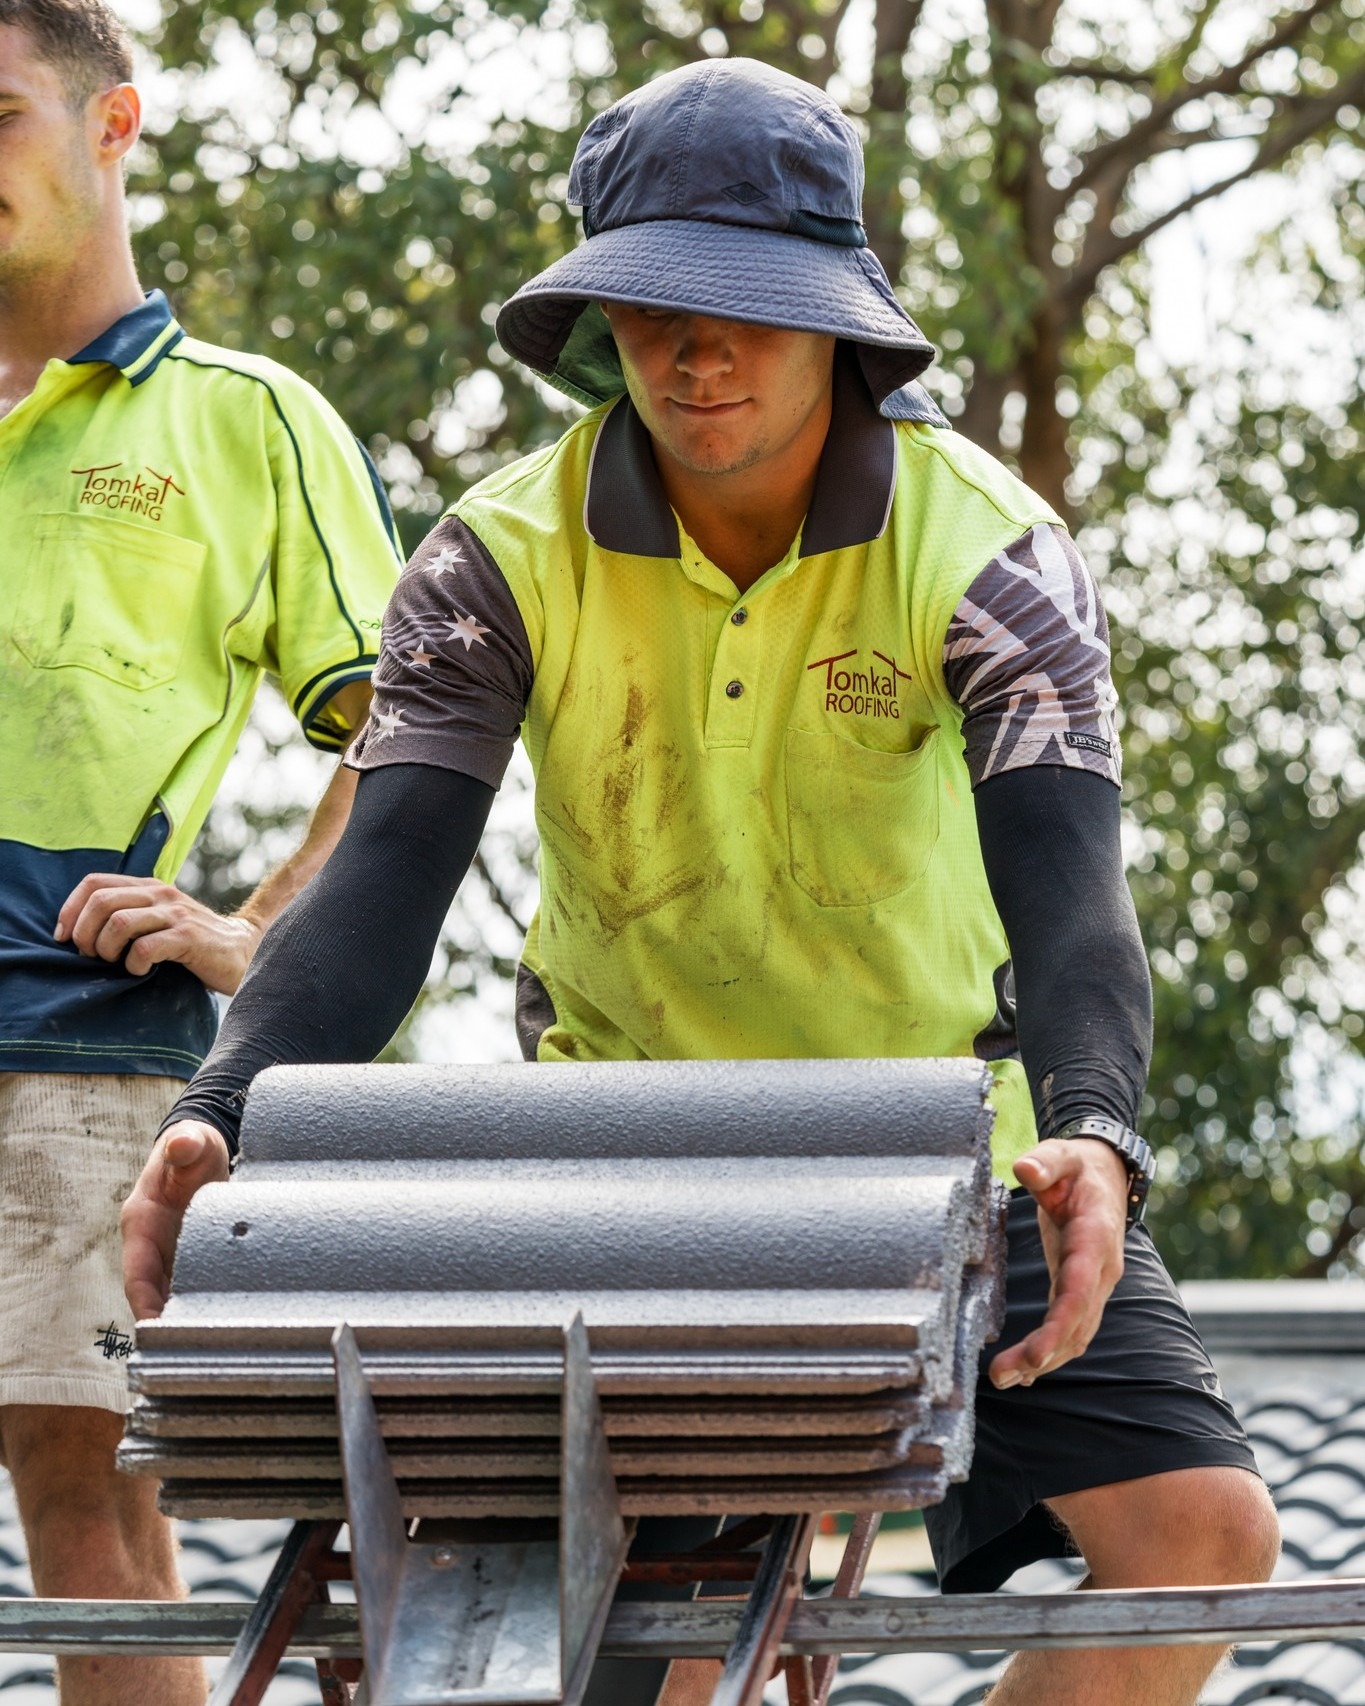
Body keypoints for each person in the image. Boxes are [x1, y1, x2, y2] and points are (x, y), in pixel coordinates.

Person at [123, 56, 1280, 1706]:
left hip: (948, 1145)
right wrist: (221, 1105)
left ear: (840, 321)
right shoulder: (494, 558)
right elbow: (384, 878)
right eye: (653, 306)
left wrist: (1095, 1126)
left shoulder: (988, 553)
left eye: (745, 307)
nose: (696, 351)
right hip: (627, 1153)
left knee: (1201, 1533)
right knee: (630, 1637)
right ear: (598, 320)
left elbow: (1071, 894)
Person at [0, 1, 401, 1700]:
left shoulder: (249, 421)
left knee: (92, 1524)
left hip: (77, 1050)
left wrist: (256, 938)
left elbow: (409, 740)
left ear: (115, 127)